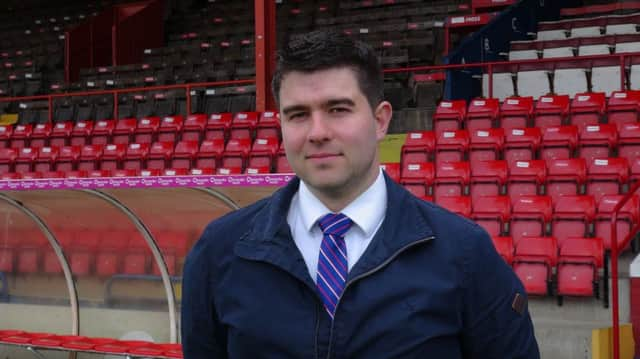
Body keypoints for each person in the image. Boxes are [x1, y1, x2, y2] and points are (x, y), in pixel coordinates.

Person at [181, 29, 540, 358]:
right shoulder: (221, 250)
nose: (317, 132)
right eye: (298, 115)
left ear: (381, 120)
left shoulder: (463, 253)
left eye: (338, 110)